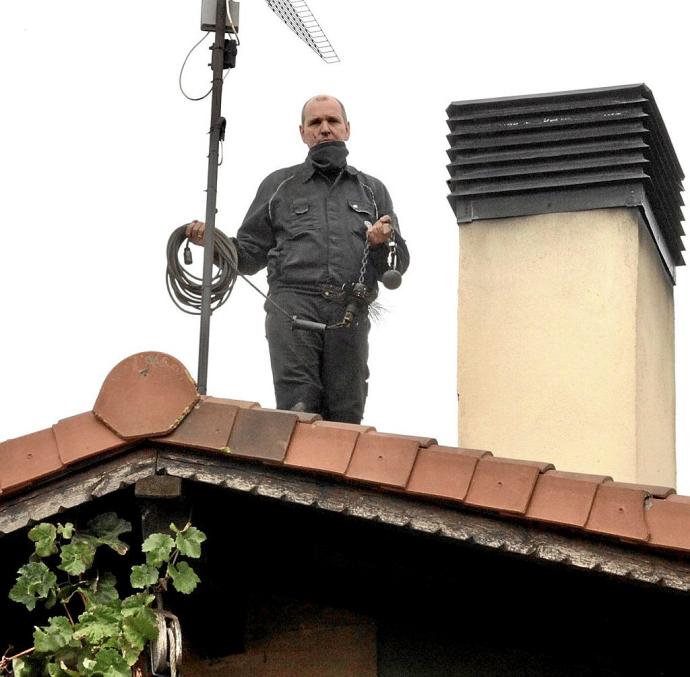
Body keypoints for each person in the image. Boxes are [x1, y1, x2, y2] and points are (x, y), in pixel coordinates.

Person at [187, 94, 409, 424]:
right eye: (315, 122)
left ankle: (333, 478)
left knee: (346, 419)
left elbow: (395, 266)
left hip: (349, 311)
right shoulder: (280, 185)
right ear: (302, 132)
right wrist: (214, 243)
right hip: (292, 308)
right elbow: (248, 255)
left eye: (332, 121)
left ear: (347, 129)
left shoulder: (372, 191)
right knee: (298, 411)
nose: (324, 129)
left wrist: (380, 242)